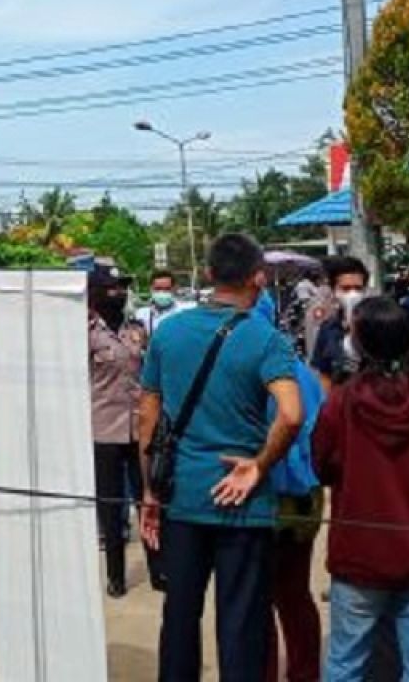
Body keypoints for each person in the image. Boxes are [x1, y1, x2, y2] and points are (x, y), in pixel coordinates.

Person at [139, 233, 302, 682]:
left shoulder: (168, 332)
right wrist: (259, 465)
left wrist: (150, 488)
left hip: (181, 496)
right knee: (241, 623)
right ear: (259, 278)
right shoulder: (266, 338)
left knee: (179, 616)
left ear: (208, 275)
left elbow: (147, 416)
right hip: (242, 504)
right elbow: (291, 414)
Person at [312, 296, 409, 682]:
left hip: (361, 554)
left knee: (346, 662)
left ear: (359, 343)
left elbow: (321, 465)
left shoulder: (341, 402)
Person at [255, 292, 325, 682]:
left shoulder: (249, 364)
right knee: (296, 594)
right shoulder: (302, 370)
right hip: (305, 498)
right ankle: (304, 673)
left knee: (258, 599)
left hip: (263, 496)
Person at [88, 264, 160, 597]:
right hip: (104, 430)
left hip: (139, 429)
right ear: (96, 294)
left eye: (121, 288)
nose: (118, 294)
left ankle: (158, 569)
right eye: (111, 289)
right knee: (110, 504)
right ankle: (116, 576)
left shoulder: (137, 330)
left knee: (147, 497)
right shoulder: (86, 333)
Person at [311, 255, 370, 390]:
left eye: (358, 288)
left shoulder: (380, 324)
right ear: (334, 291)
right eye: (346, 288)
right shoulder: (327, 328)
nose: (353, 294)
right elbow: (324, 375)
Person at [135, 269, 194, 339]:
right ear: (151, 289)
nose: (162, 292)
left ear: (174, 289)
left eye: (167, 289)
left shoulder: (185, 312)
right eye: (158, 289)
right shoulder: (142, 314)